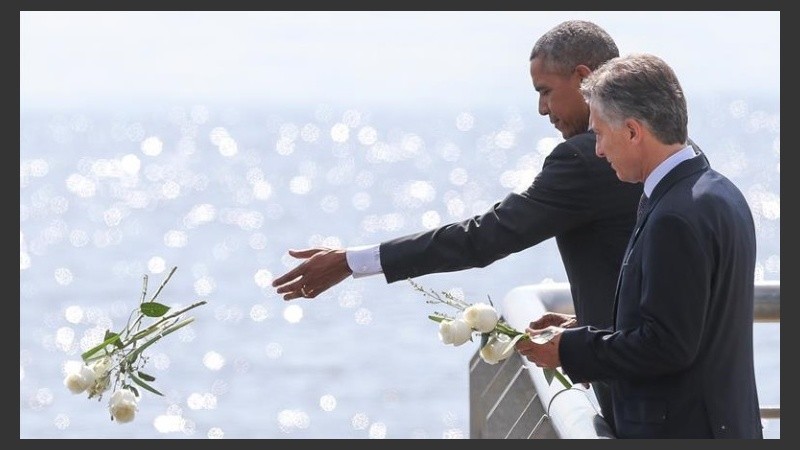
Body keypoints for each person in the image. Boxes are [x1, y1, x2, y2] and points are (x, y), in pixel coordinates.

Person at [272, 20, 642, 427]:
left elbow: (484, 238)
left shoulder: (583, 158)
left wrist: (351, 262)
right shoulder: (666, 147)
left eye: (545, 92)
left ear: (584, 78)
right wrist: (588, 321)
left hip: (645, 403)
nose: (542, 110)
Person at [516, 53, 763, 439]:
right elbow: (689, 322)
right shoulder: (719, 192)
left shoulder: (673, 217)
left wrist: (570, 351)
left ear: (632, 131)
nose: (597, 149)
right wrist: (583, 329)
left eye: (599, 134)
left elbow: (667, 346)